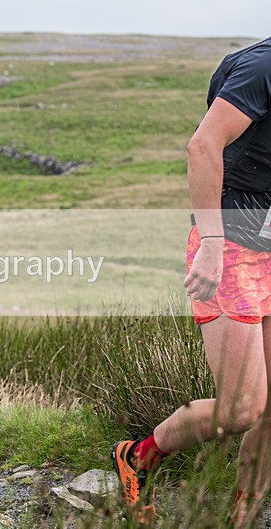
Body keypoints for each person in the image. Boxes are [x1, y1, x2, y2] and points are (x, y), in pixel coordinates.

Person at [111, 37, 271, 527]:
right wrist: (213, 243)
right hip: (232, 248)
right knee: (242, 409)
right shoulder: (264, 66)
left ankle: (243, 515)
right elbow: (203, 145)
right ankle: (138, 456)